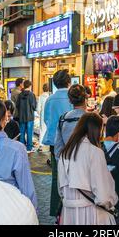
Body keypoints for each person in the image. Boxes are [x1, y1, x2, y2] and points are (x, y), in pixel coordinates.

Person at [58, 112, 118, 225]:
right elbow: (103, 195)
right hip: (92, 214)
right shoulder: (95, 152)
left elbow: (61, 190)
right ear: (97, 130)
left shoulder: (65, 153)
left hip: (69, 213)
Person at [43, 69, 72, 217]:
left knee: (56, 175)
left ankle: (55, 209)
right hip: (72, 142)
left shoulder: (50, 99)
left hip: (55, 142)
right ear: (69, 82)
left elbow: (46, 120)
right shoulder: (72, 98)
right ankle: (70, 207)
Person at [54, 84, 87, 160]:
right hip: (88, 165)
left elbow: (58, 148)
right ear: (85, 98)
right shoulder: (93, 119)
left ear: (70, 100)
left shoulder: (63, 119)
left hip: (69, 163)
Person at [16, 80, 37, 153]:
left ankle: (22, 148)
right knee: (29, 133)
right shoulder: (32, 95)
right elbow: (34, 106)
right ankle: (29, 148)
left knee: (21, 133)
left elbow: (17, 105)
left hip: (21, 116)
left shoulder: (20, 94)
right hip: (30, 117)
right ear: (30, 86)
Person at [37, 83, 50, 148]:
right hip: (50, 114)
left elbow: (38, 109)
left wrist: (39, 114)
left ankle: (40, 144)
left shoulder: (40, 97)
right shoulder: (50, 97)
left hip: (43, 114)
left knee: (42, 129)